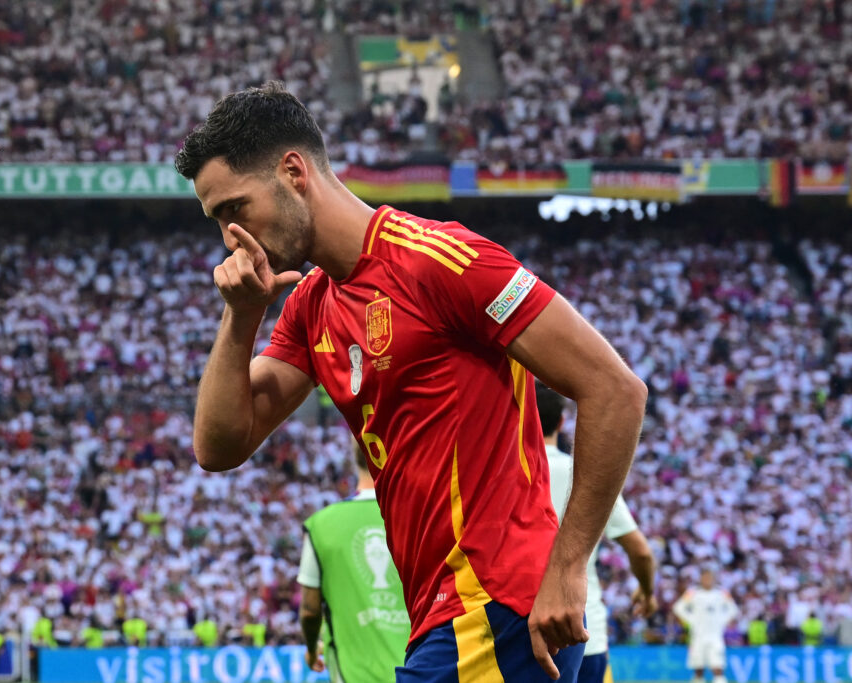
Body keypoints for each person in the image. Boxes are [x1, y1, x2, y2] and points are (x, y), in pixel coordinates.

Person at [176, 81, 648, 681]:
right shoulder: (311, 305)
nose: (229, 239)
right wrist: (241, 315)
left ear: (294, 172)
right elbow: (218, 446)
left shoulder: (441, 259)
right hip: (441, 617)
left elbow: (615, 388)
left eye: (234, 210)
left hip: (496, 604)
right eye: (216, 220)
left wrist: (568, 566)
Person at [536, 384, 658, 683]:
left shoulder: (502, 476)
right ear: (562, 423)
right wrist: (646, 591)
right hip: (582, 631)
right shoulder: (584, 474)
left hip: (517, 627)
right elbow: (640, 551)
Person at [297, 441, 410, 682]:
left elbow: (309, 610)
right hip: (418, 670)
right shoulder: (416, 516)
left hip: (354, 674)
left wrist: (310, 647)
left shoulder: (321, 525)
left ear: (353, 455)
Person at [672, 569, 739, 683]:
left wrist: (722, 620)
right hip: (698, 636)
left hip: (715, 636)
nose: (707, 580)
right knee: (698, 670)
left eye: (709, 578)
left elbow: (733, 609)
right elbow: (678, 607)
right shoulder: (692, 593)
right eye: (705, 578)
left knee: (718, 668)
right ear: (700, 579)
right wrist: (691, 619)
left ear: (713, 579)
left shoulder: (722, 593)